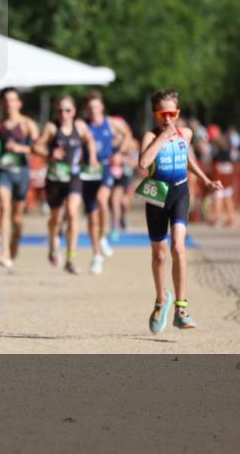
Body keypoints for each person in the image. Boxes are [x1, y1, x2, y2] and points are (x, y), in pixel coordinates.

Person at [137, 89, 222, 333]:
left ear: (178, 113)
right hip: (156, 195)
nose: (167, 118)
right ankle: (161, 299)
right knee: (160, 255)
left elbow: (187, 158)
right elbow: (143, 163)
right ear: (155, 115)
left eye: (172, 113)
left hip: (179, 192)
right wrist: (163, 137)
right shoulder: (149, 136)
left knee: (178, 246)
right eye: (163, 114)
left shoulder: (186, 133)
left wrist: (206, 180)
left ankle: (181, 308)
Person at [33, 96, 97, 274]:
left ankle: (71, 258)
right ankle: (53, 244)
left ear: (74, 112)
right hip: (55, 179)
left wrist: (91, 156)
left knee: (72, 213)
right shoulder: (52, 128)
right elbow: (36, 146)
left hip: (74, 176)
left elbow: (89, 140)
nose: (64, 114)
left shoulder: (80, 127)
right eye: (60, 110)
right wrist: (50, 153)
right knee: (56, 219)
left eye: (67, 110)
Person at [0, 88, 40, 268]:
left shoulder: (27, 124)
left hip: (22, 173)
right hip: (4, 172)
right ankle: (4, 251)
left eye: (13, 100)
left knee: (17, 218)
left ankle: (14, 244)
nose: (9, 104)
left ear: (19, 103)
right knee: (4, 208)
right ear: (2, 104)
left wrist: (21, 149)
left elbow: (40, 149)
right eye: (6, 100)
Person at [82, 91, 132, 275]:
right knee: (91, 216)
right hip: (87, 171)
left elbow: (127, 134)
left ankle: (103, 236)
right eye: (90, 108)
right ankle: (96, 255)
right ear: (86, 109)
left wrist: (120, 152)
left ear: (102, 107)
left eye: (97, 107)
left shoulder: (111, 123)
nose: (94, 111)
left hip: (104, 168)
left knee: (103, 200)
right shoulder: (83, 125)